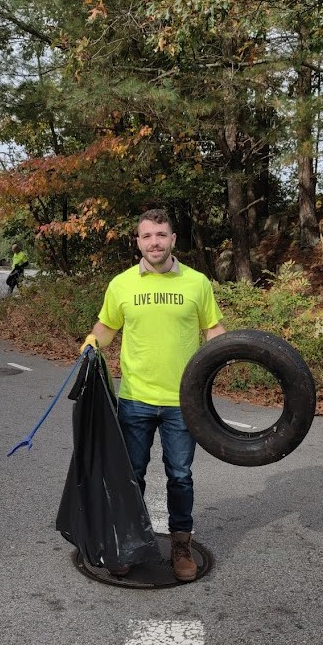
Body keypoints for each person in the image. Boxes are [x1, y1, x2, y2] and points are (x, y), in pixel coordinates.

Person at [79, 207, 226, 582]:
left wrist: (229, 354)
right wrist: (94, 341)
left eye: (161, 235)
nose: (154, 242)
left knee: (180, 475)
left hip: (183, 402)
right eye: (147, 236)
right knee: (132, 475)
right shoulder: (122, 284)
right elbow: (107, 324)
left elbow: (214, 330)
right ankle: (128, 542)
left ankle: (180, 545)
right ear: (138, 242)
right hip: (135, 399)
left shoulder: (197, 283)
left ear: (173, 239)